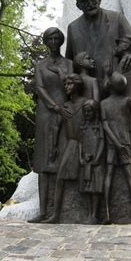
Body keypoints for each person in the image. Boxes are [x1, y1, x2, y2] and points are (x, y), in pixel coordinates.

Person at [65, 0, 131, 98]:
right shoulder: (73, 28)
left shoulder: (116, 18)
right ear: (78, 5)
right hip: (89, 97)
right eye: (84, 1)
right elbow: (69, 64)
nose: (90, 4)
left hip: (117, 91)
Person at [29, 27, 73, 223]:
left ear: (61, 40)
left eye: (57, 38)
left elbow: (72, 85)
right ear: (46, 42)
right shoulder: (40, 65)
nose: (54, 41)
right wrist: (54, 106)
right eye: (50, 38)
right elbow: (39, 87)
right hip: (47, 114)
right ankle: (43, 211)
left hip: (65, 114)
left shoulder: (69, 64)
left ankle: (59, 211)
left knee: (61, 162)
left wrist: (61, 74)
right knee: (43, 164)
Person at [101, 72, 131, 225]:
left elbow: (105, 126)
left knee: (109, 176)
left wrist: (116, 144)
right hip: (124, 143)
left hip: (112, 144)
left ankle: (107, 214)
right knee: (130, 177)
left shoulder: (104, 103)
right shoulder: (127, 101)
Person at [43, 74, 86, 224]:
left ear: (77, 85)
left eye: (69, 84)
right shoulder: (66, 106)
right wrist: (53, 145)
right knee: (61, 177)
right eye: (65, 84)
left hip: (85, 144)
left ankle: (92, 213)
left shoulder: (86, 103)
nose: (66, 87)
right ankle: (56, 215)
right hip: (71, 144)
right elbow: (56, 126)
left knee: (87, 177)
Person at [79, 100, 105, 224]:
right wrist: (80, 156)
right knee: (87, 188)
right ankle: (89, 213)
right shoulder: (83, 126)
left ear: (95, 112)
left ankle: (95, 214)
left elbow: (101, 142)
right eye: (86, 111)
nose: (87, 113)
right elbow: (80, 143)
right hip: (85, 160)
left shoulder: (98, 127)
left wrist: (98, 158)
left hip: (96, 161)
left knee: (96, 188)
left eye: (90, 111)